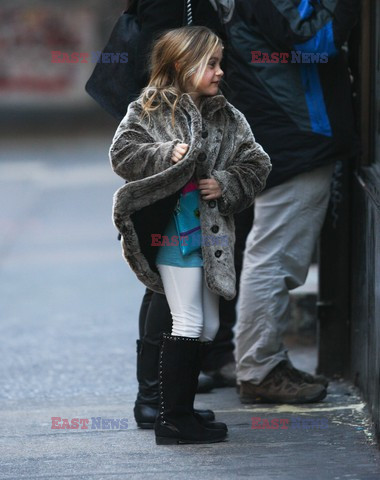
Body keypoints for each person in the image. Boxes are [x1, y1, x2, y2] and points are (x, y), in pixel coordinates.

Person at [109, 26, 271, 444]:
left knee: (211, 326)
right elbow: (122, 153)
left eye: (221, 63)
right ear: (182, 65)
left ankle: (178, 408)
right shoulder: (150, 108)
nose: (220, 72)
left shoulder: (226, 114)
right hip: (171, 237)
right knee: (188, 318)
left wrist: (226, 182)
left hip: (212, 241)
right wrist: (166, 154)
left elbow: (257, 162)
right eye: (211, 64)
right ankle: (172, 418)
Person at [224, 0, 360, 403]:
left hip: (288, 130)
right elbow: (314, 38)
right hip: (293, 132)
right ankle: (258, 367)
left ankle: (263, 361)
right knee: (275, 256)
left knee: (274, 253)